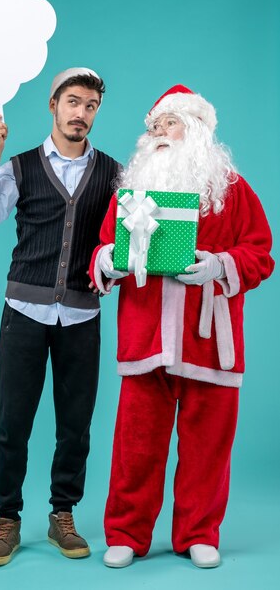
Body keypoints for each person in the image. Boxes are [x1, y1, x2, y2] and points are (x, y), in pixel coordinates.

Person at [89, 84, 274, 569]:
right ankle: (127, 533)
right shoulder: (132, 190)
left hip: (209, 341)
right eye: (153, 127)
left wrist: (220, 266)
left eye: (169, 124)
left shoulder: (231, 189)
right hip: (145, 335)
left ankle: (198, 532)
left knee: (208, 444)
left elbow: (260, 253)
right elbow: (106, 245)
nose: (157, 135)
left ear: (194, 130)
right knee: (136, 443)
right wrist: (107, 259)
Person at [0, 68, 120, 566]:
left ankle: (63, 514)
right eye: (73, 102)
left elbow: (123, 237)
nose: (81, 113)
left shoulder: (114, 173)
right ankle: (6, 519)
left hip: (81, 313)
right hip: (24, 311)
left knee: (75, 425)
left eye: (91, 105)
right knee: (12, 421)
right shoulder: (20, 166)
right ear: (53, 105)